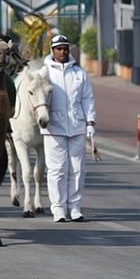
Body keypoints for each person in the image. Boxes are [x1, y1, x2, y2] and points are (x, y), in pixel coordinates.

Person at [40, 34, 96, 223]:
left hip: (77, 125)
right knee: (56, 170)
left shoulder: (79, 73)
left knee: (77, 169)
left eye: (65, 48)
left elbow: (87, 98)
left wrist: (90, 122)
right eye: (59, 48)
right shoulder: (45, 72)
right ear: (52, 50)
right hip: (54, 127)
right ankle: (58, 209)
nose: (63, 52)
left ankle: (75, 207)